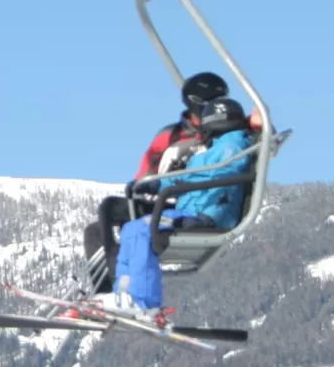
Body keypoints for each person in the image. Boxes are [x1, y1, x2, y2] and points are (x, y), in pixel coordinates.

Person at [83, 72, 230, 294]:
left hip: (189, 206)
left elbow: (246, 131)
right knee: (96, 230)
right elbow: (145, 173)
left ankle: (115, 292)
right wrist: (145, 187)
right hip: (161, 200)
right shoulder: (170, 136)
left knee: (110, 209)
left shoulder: (225, 134)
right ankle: (104, 292)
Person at [112, 96, 255, 312]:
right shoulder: (214, 149)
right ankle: (123, 294)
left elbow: (220, 171)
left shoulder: (233, 145)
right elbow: (190, 173)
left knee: (142, 232)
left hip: (210, 214)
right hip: (194, 209)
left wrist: (180, 182)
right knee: (132, 229)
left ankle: (143, 302)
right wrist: (155, 185)